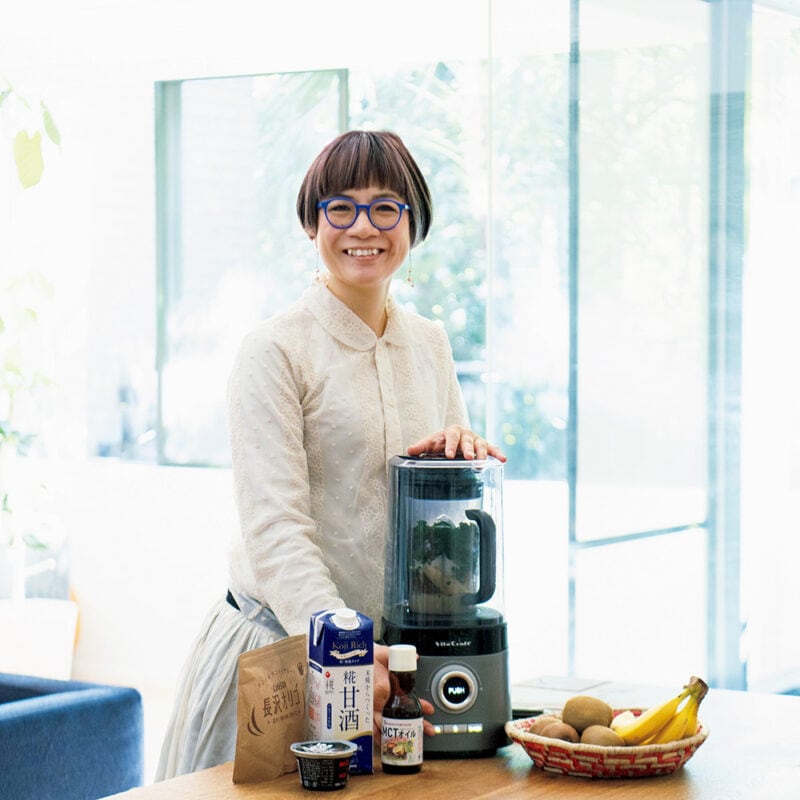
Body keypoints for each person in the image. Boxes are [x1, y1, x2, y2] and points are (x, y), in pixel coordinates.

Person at [156, 129, 506, 780]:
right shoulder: (274, 351)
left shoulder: (430, 344)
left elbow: (441, 520)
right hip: (281, 659)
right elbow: (275, 530)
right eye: (340, 207)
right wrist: (345, 651)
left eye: (385, 207)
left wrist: (461, 459)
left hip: (392, 666)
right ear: (311, 223)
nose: (362, 227)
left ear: (413, 223)